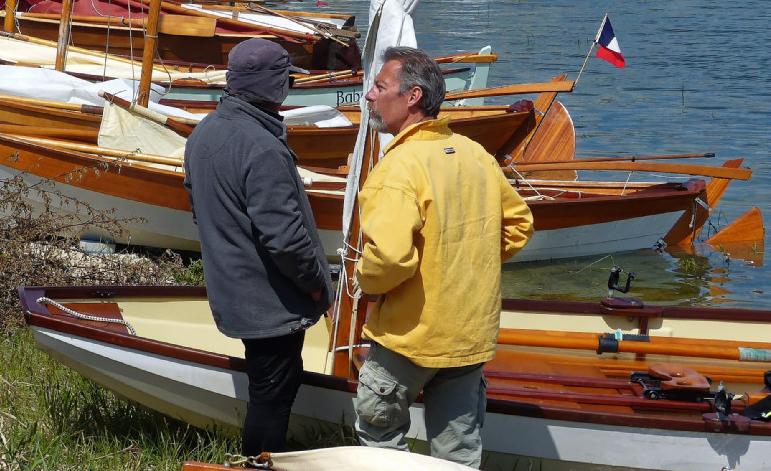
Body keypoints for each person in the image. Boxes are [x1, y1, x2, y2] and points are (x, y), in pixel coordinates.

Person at [353, 46, 534, 468]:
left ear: (412, 97)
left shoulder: (398, 167)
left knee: (380, 438)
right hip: (469, 333)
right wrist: (471, 260)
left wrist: (365, 280)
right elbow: (520, 224)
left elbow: (392, 260)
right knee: (458, 454)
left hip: (409, 336)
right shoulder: (475, 154)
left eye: (379, 86)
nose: (368, 96)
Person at [184, 37, 333, 457]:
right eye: (287, 79)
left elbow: (198, 207)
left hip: (232, 290)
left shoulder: (204, 133)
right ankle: (258, 465)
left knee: (266, 388)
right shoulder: (263, 146)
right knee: (273, 396)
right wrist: (315, 286)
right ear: (277, 86)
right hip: (270, 302)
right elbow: (285, 239)